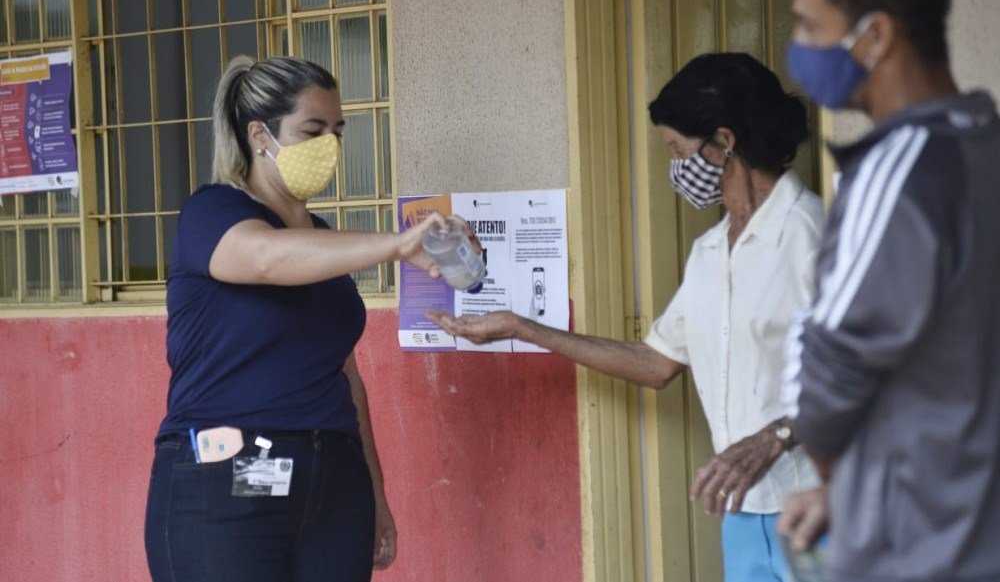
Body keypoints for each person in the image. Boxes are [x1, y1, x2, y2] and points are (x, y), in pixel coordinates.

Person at [429, 53, 823, 582]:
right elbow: (655, 362)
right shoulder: (711, 252)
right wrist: (522, 327)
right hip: (744, 514)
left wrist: (776, 435)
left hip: (824, 506)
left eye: (677, 150)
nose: (676, 168)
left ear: (724, 142)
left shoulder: (813, 235)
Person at [144, 55, 452, 581]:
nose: (329, 145)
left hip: (331, 482)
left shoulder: (324, 241)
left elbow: (346, 376)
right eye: (312, 130)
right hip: (227, 482)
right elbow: (266, 259)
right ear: (260, 135)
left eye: (337, 130)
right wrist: (399, 245)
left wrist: (374, 490)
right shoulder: (212, 213)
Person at [777, 0, 1000, 581]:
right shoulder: (982, 146)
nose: (799, 47)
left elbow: (826, 371)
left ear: (874, 36)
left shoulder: (898, 169)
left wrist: (846, 487)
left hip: (923, 550)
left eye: (809, 27)